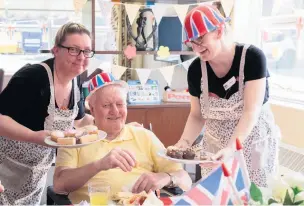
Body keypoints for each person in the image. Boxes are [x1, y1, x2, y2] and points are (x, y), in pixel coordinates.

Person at [174, 5, 281, 187]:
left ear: (219, 30)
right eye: (191, 41)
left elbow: (251, 111)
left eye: (200, 38)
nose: (196, 47)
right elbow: (196, 115)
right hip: (215, 148)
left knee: (254, 197)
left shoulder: (252, 58)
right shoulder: (195, 70)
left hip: (253, 143)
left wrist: (231, 148)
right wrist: (182, 144)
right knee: (218, 196)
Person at [53, 73, 192, 204]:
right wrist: (99, 165)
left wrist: (166, 177)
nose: (115, 111)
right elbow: (59, 185)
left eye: (120, 104)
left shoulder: (144, 136)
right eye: (106, 105)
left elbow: (185, 180)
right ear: (93, 109)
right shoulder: (76, 139)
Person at [0, 22, 95, 205]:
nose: (81, 57)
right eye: (74, 49)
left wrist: (109, 124)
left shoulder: (75, 83)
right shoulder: (33, 77)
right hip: (5, 169)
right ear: (56, 50)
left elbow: (80, 122)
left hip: (35, 177)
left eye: (86, 51)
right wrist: (33, 136)